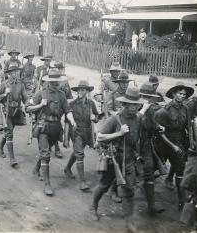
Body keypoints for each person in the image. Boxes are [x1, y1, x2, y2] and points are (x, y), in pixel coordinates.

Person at [90, 86, 145, 233]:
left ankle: (129, 222)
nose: (134, 107)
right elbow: (100, 137)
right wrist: (119, 133)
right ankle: (93, 206)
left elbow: (138, 139)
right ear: (125, 104)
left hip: (128, 160)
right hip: (113, 158)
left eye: (136, 104)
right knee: (103, 186)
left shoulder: (139, 119)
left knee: (129, 190)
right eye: (131, 104)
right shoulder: (115, 119)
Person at [26, 68, 76, 196]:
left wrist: (72, 121)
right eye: (53, 82)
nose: (55, 84)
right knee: (46, 153)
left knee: (46, 151)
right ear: (48, 82)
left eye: (57, 82)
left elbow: (67, 110)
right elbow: (27, 108)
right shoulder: (40, 93)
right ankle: (47, 184)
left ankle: (37, 168)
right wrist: (40, 105)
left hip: (56, 128)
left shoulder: (61, 95)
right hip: (43, 126)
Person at [155, 82, 194, 210]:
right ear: (173, 94)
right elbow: (159, 133)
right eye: (179, 93)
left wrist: (191, 142)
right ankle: (146, 183)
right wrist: (172, 145)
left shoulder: (186, 109)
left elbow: (188, 126)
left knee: (180, 170)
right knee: (157, 168)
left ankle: (182, 201)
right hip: (165, 142)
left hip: (180, 142)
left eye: (184, 94)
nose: (182, 96)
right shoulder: (164, 111)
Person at [64, 80, 99, 191]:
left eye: (83, 90)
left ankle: (67, 168)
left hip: (87, 132)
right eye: (79, 90)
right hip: (76, 132)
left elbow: (97, 117)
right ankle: (82, 182)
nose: (80, 91)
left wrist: (95, 118)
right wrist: (66, 137)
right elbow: (67, 121)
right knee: (80, 154)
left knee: (77, 152)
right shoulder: (72, 104)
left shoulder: (91, 104)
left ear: (87, 91)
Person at [138, 82, 166, 215]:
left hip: (146, 144)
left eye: (149, 97)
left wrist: (158, 127)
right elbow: (134, 124)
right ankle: (114, 189)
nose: (147, 100)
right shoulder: (133, 107)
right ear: (140, 96)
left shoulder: (150, 109)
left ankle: (151, 207)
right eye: (145, 97)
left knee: (148, 171)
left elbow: (152, 123)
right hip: (132, 144)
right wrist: (142, 109)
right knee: (125, 169)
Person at [0, 63, 28, 167]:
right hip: (6, 112)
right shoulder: (4, 85)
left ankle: (0, 147)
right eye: (12, 72)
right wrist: (4, 94)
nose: (15, 74)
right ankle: (12, 159)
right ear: (9, 74)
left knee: (10, 130)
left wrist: (28, 105)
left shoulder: (20, 85)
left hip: (16, 111)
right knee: (9, 133)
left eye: (16, 72)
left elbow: (25, 98)